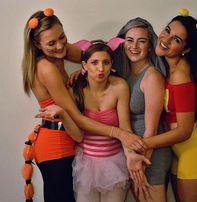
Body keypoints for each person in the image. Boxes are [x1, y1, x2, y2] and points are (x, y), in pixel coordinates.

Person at [22, 8, 145, 202]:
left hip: (70, 139)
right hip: (55, 145)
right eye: (51, 43)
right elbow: (77, 118)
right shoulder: (46, 68)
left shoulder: (59, 51)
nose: (60, 45)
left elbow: (92, 55)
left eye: (62, 37)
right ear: (37, 44)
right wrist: (121, 134)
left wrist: (88, 68)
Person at [130, 8, 197, 202]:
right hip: (178, 154)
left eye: (177, 40)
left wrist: (140, 144)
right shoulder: (165, 66)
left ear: (186, 49)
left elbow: (184, 131)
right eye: (168, 30)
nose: (166, 39)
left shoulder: (180, 73)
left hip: (195, 152)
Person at [71, 38, 142, 202]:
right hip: (86, 163)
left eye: (106, 62)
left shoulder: (120, 86)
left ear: (112, 64)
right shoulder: (75, 88)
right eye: (94, 62)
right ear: (84, 65)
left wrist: (131, 154)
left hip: (115, 162)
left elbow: (125, 127)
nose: (101, 68)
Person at [114, 17, 173, 202]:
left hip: (150, 156)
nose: (135, 46)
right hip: (134, 154)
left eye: (142, 41)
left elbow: (152, 130)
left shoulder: (152, 76)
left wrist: (141, 164)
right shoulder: (124, 73)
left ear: (150, 46)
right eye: (129, 40)